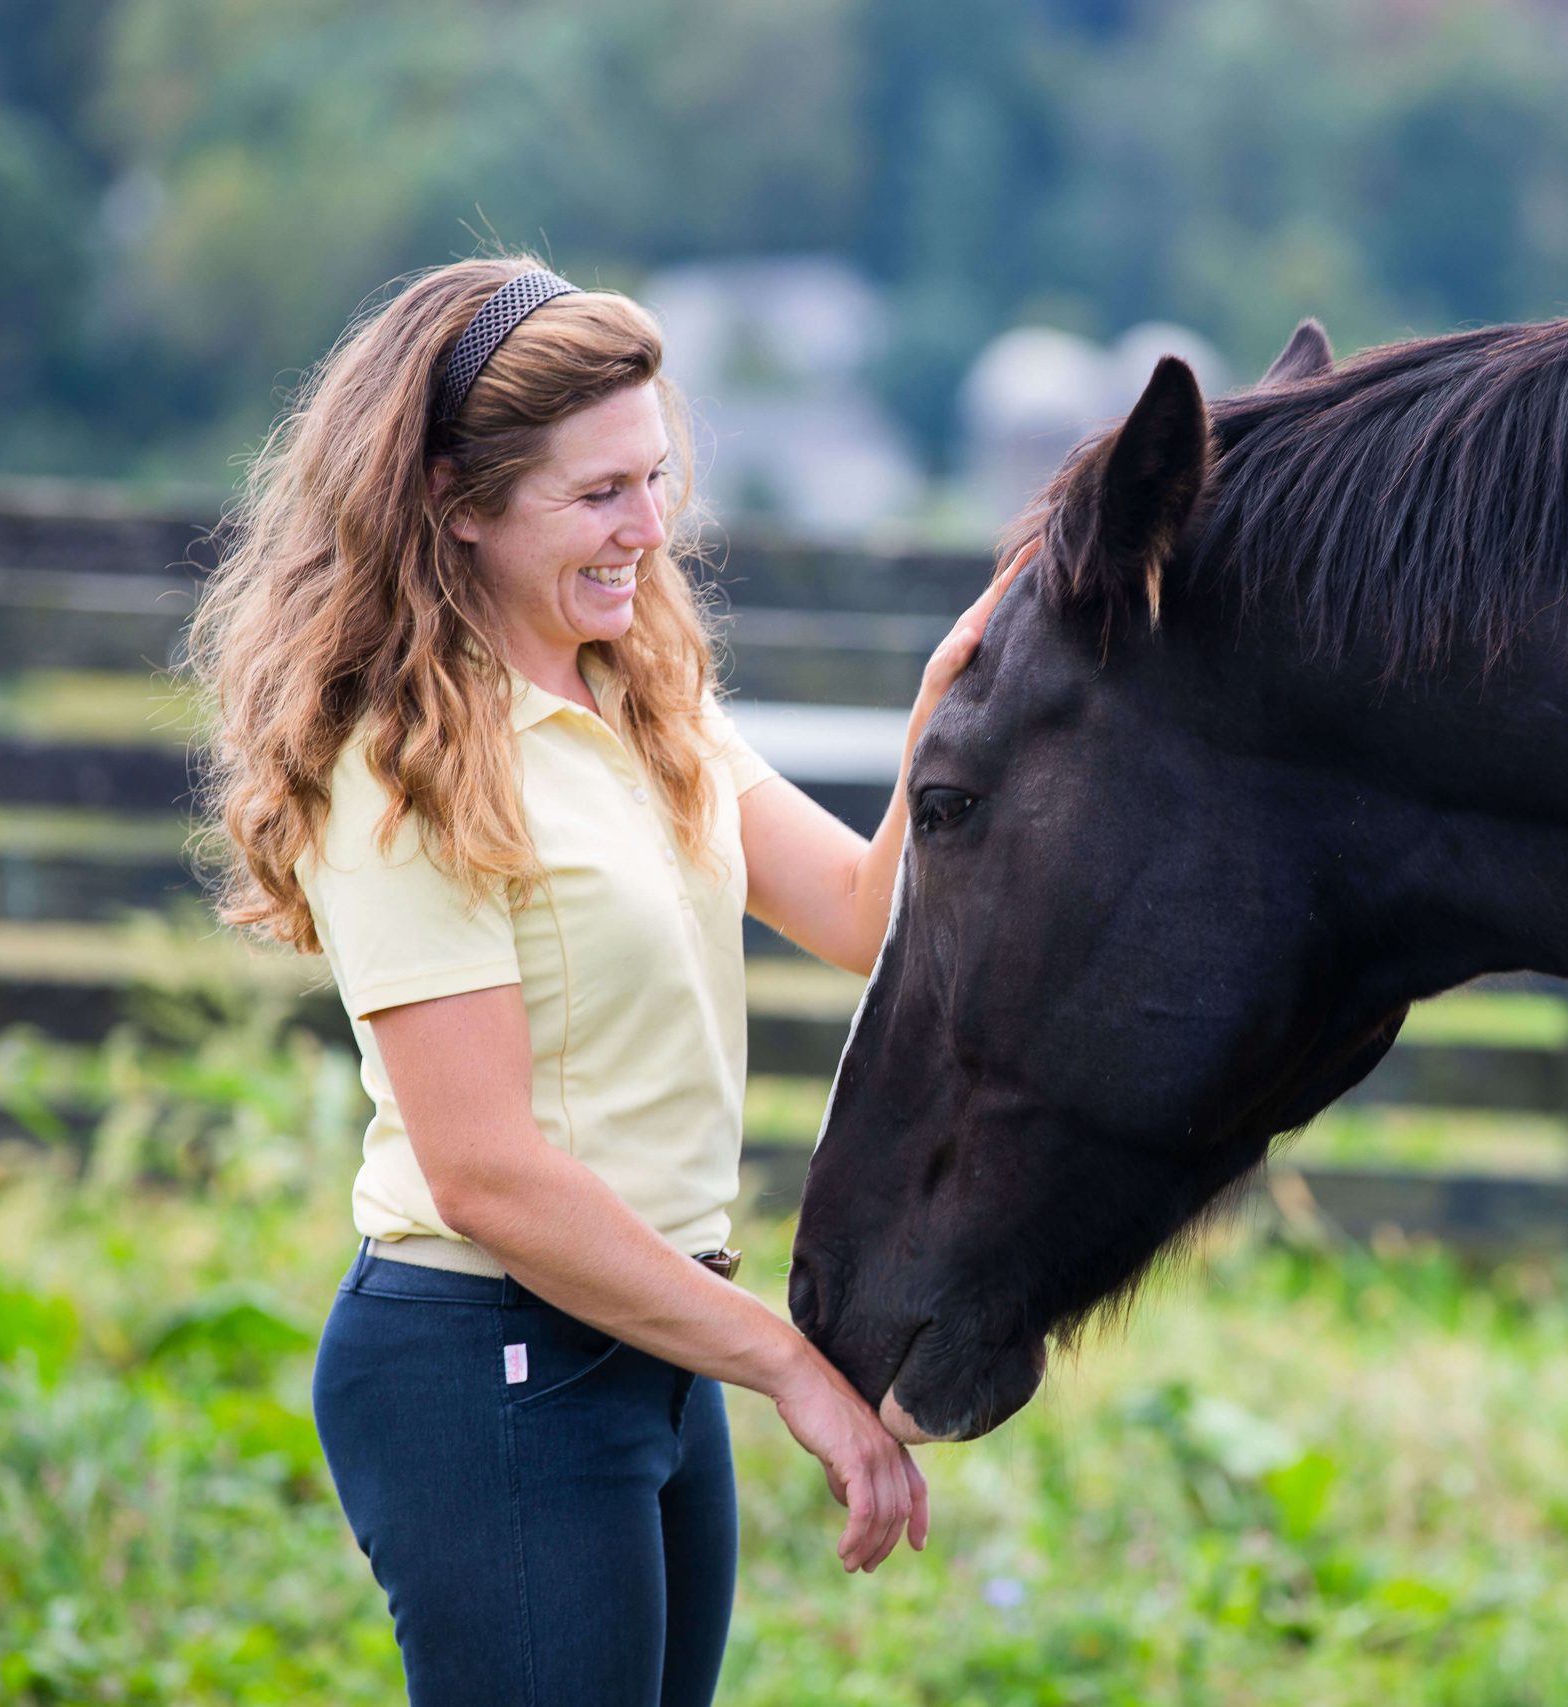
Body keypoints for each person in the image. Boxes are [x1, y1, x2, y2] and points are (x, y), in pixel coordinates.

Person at [187, 257, 1022, 1704]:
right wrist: (791, 1368)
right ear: (454, 503)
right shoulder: (401, 769)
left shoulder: (642, 696)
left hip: (646, 1334)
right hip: (487, 1359)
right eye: (597, 496)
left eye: (653, 477)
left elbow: (851, 907)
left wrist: (957, 699)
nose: (650, 528)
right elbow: (488, 1174)